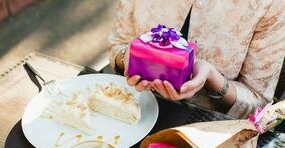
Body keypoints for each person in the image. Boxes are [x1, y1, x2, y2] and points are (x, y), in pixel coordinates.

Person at [108, 0, 285, 118]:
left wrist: (212, 78)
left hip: (203, 134)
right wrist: (128, 59)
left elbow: (258, 105)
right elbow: (118, 44)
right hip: (129, 109)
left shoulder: (271, 5)